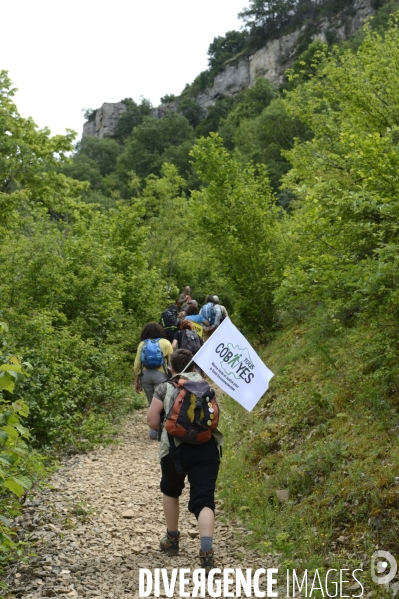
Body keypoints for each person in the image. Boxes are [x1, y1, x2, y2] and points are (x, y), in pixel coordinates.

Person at [147, 349, 223, 573]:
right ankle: (206, 553)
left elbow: (152, 422)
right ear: (194, 367)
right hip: (206, 449)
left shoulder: (165, 387)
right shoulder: (206, 388)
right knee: (204, 500)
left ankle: (172, 539)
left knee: (171, 490)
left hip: (174, 450)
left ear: (171, 367)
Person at [134, 323, 173, 439]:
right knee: (163, 402)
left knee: (151, 402)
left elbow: (137, 364)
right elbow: (172, 362)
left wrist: (137, 381)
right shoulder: (165, 343)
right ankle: (165, 429)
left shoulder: (142, 344)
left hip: (145, 375)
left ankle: (153, 431)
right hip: (161, 375)